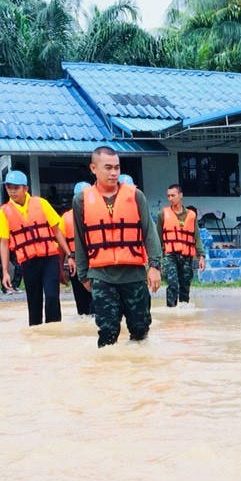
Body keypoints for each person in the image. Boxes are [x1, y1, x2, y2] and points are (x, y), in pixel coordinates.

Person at [72, 146, 163, 347]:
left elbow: (149, 232)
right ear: (93, 168)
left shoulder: (136, 195)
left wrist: (155, 266)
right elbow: (80, 239)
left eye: (117, 167)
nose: (114, 173)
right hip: (101, 276)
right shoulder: (81, 200)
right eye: (108, 168)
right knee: (107, 332)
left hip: (134, 275)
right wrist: (83, 275)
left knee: (140, 330)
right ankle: (108, 375)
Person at [0, 170, 71, 324]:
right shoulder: (4, 212)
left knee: (52, 297)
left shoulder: (41, 203)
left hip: (49, 258)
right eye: (9, 187)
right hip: (28, 262)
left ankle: (54, 332)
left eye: (16, 187)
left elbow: (56, 231)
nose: (12, 191)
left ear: (25, 188)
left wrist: (70, 254)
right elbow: (4, 242)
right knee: (34, 302)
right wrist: (5, 272)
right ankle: (36, 336)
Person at [156, 183, 206, 308]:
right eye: (168, 196)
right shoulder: (162, 214)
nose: (170, 198)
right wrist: (158, 260)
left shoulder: (192, 215)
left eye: (173, 195)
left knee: (185, 285)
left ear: (180, 195)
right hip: (169, 255)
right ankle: (171, 311)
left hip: (187, 255)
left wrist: (201, 256)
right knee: (172, 284)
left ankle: (184, 314)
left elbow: (197, 236)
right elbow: (158, 238)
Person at [61, 182, 94, 318]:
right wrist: (60, 269)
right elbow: (60, 245)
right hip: (76, 264)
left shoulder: (98, 214)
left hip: (97, 264)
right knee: (82, 310)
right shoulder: (66, 218)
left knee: (99, 303)